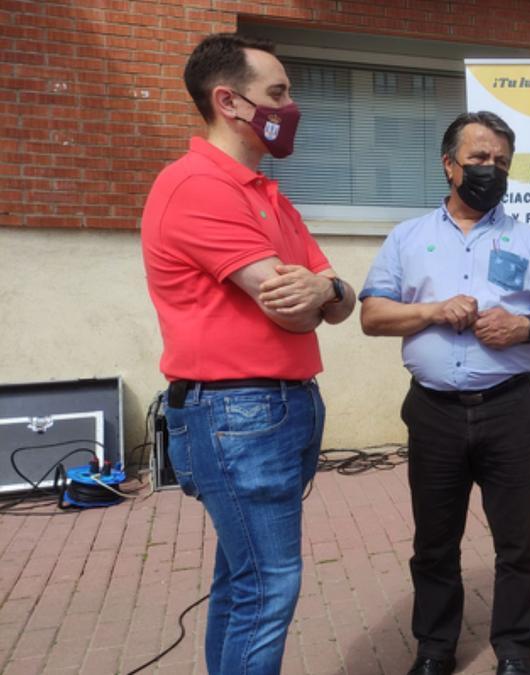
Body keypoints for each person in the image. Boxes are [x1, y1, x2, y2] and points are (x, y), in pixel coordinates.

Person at [140, 33, 357, 674]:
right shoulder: (196, 186)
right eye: (278, 93)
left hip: (275, 410)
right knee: (269, 587)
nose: (292, 107)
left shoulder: (267, 192)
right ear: (229, 101)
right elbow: (289, 304)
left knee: (244, 582)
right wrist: (321, 289)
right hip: (238, 413)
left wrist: (329, 288)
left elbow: (335, 299)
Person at [359, 111, 530, 675]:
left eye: (502, 163)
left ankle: (514, 650)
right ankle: (434, 650)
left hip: (512, 407)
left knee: (518, 542)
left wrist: (525, 327)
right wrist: (433, 311)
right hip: (434, 411)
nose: (490, 171)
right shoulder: (406, 238)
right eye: (479, 159)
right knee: (434, 543)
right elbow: (371, 315)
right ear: (449, 165)